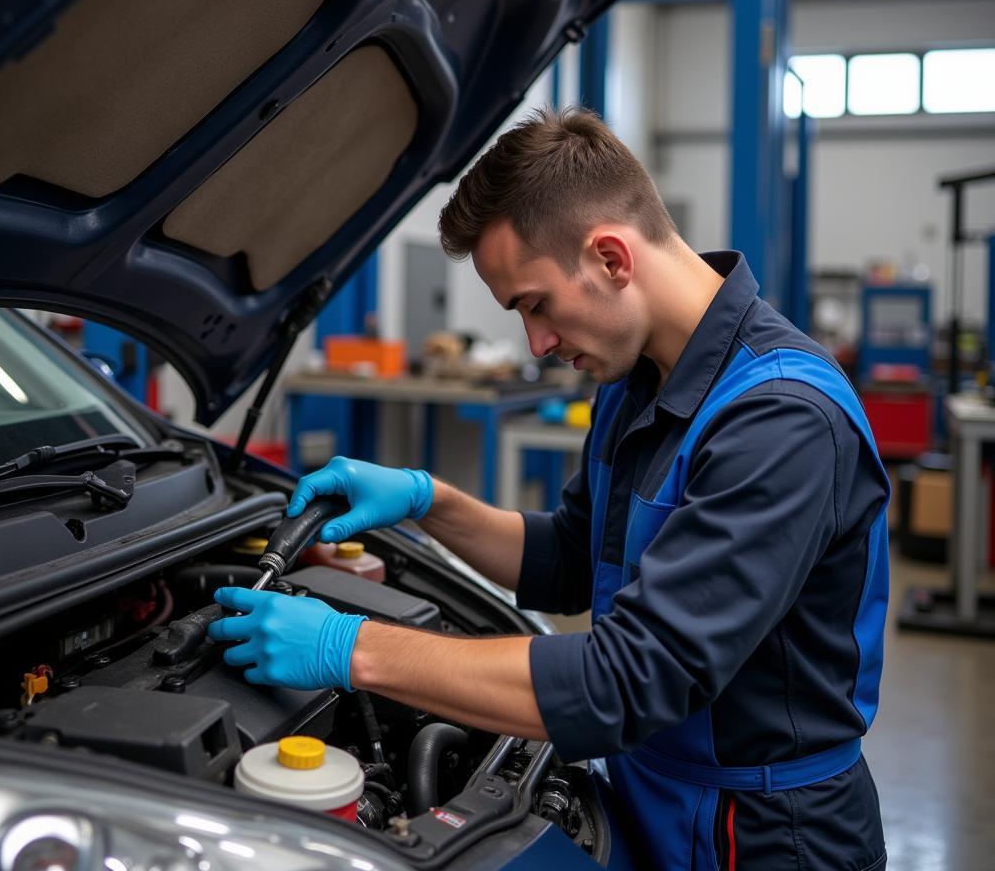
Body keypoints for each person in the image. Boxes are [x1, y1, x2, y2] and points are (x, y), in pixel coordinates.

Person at [209, 107, 889, 871]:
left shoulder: (780, 422)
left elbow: (627, 680)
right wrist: (429, 500)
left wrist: (349, 648)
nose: (536, 343)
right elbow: (570, 559)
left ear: (611, 258)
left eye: (535, 304)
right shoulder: (637, 382)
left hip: (764, 834)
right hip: (650, 793)